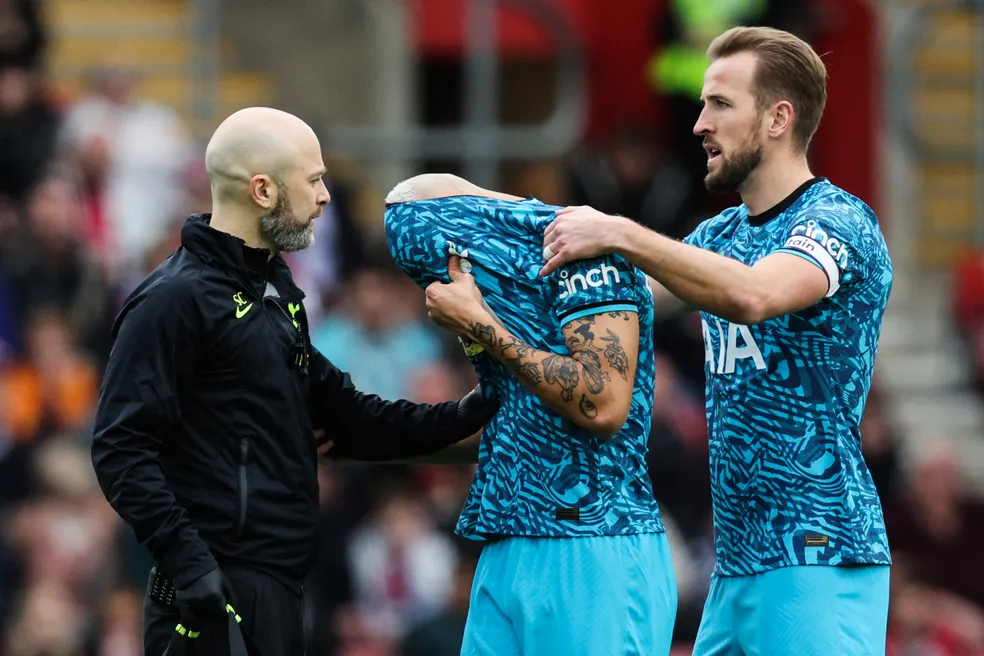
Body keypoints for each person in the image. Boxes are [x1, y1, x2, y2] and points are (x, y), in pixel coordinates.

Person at [89, 107, 500, 656]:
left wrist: (477, 408)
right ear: (262, 190)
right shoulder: (172, 300)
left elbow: (349, 417)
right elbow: (119, 447)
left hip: (278, 588)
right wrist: (190, 565)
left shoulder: (276, 297)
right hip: (210, 596)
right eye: (313, 180)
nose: (326, 196)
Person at [540, 26, 893, 655]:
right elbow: (618, 306)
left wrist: (620, 230)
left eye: (721, 105)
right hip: (735, 564)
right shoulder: (719, 236)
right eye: (703, 104)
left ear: (779, 117)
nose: (700, 123)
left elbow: (754, 295)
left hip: (817, 553)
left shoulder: (838, 220)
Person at [382, 173, 677, 656]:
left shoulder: (584, 254)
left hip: (591, 536)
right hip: (507, 533)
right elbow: (405, 200)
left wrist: (482, 324)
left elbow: (603, 403)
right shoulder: (505, 285)